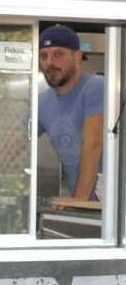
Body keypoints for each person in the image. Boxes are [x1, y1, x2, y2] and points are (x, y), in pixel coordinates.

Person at [38, 24, 104, 202]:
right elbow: (17, 140)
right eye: (44, 56)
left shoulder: (97, 87)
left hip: (114, 207)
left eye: (58, 54)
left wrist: (79, 202)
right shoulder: (42, 101)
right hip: (85, 206)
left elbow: (94, 143)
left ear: (77, 56)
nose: (50, 62)